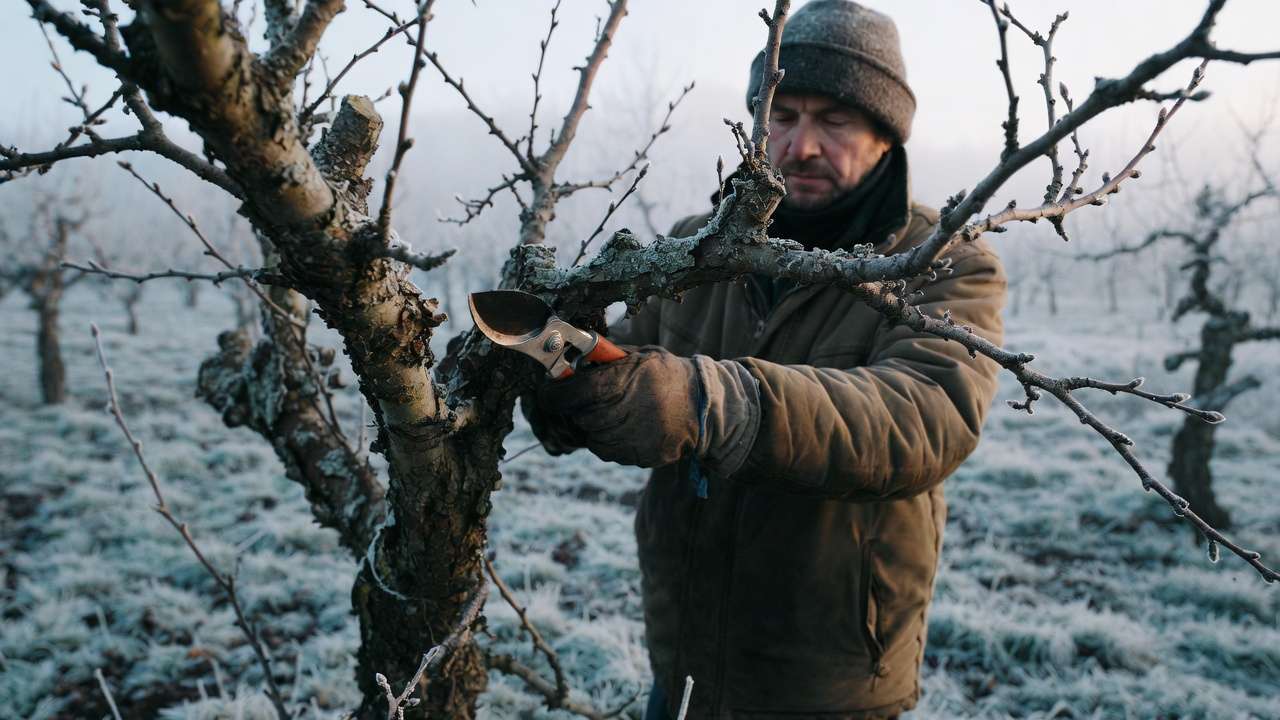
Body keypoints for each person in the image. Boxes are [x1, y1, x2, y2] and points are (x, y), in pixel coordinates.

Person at [526, 1, 1007, 717]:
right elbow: (625, 368)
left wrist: (714, 403)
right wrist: (556, 375)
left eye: (835, 120)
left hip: (828, 680)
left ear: (886, 136)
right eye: (782, 117)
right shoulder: (701, 245)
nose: (801, 145)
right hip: (683, 653)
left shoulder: (941, 262)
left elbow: (923, 419)